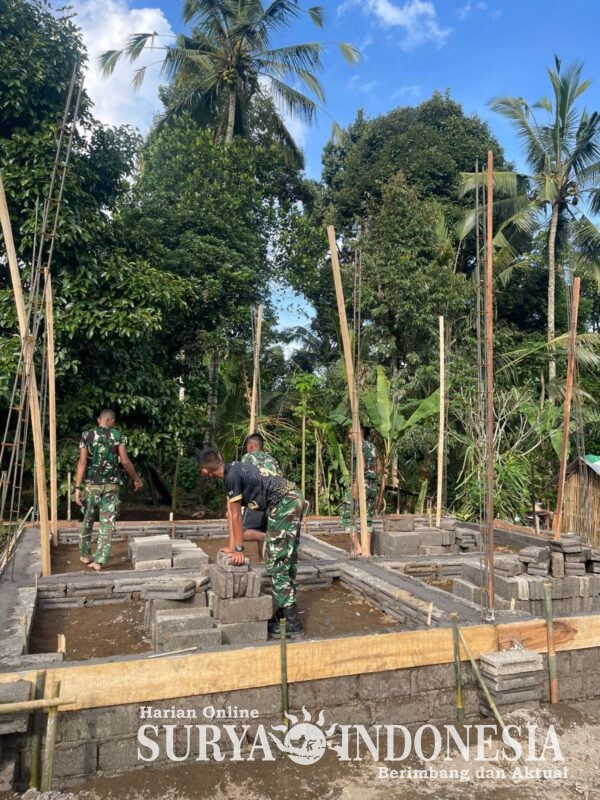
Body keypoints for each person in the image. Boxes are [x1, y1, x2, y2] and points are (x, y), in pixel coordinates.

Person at [198, 447, 304, 637]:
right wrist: (232, 547)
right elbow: (232, 515)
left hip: (283, 502)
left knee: (277, 562)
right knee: (287, 559)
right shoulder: (233, 470)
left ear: (204, 470)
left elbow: (236, 516)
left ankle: (293, 624)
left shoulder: (231, 476)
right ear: (220, 457)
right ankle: (285, 610)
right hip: (293, 496)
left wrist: (239, 550)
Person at [74, 409, 143, 571]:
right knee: (107, 523)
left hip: (91, 485)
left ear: (99, 420)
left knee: (88, 520)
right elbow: (125, 461)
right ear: (112, 421)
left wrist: (77, 487)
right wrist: (137, 479)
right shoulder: (118, 436)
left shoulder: (87, 435)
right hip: (111, 486)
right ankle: (99, 561)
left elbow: (82, 462)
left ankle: (85, 555)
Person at [339, 425, 380, 556]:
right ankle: (367, 551)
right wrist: (373, 480)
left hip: (362, 484)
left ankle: (357, 547)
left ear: (359, 433)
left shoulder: (358, 447)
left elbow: (361, 464)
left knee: (346, 513)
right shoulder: (372, 446)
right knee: (368, 517)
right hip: (372, 485)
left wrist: (356, 485)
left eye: (351, 433)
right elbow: (379, 467)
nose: (349, 436)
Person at [240, 432, 281, 558]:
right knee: (262, 529)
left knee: (242, 533)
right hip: (275, 499)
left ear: (250, 446)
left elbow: (243, 480)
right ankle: (262, 559)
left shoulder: (247, 457)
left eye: (247, 445)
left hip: (257, 499)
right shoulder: (273, 460)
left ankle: (272, 537)